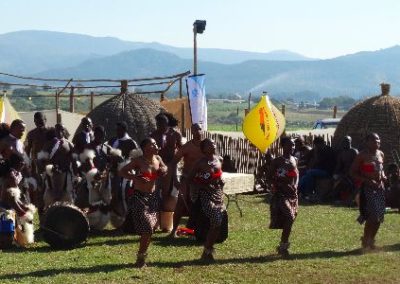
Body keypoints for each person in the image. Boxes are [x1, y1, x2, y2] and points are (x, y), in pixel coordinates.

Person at [119, 137, 167, 268]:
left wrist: (163, 170)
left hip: (153, 197)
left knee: (150, 229)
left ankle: (141, 257)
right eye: (153, 144)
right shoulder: (138, 161)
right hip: (139, 197)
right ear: (145, 148)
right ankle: (140, 258)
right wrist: (135, 177)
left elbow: (165, 168)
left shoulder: (158, 159)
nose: (156, 145)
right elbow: (122, 171)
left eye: (156, 143)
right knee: (147, 227)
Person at [188, 138, 225, 262]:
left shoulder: (219, 160)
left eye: (214, 143)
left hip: (218, 194)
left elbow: (219, 176)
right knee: (216, 219)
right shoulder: (200, 163)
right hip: (205, 195)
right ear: (203, 149)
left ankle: (208, 250)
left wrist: (221, 181)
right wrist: (202, 184)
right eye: (210, 144)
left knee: (218, 222)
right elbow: (190, 179)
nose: (213, 145)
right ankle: (207, 249)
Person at [350, 133, 386, 251]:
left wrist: (384, 176)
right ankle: (366, 240)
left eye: (378, 140)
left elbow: (381, 170)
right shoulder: (362, 156)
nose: (377, 142)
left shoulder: (381, 154)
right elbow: (353, 172)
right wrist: (368, 181)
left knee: (379, 216)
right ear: (367, 142)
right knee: (372, 216)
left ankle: (371, 240)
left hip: (380, 189)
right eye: (374, 140)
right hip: (367, 189)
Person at [169, 123, 204, 236]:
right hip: (187, 178)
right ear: (191, 132)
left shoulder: (207, 145)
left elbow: (216, 160)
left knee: (203, 204)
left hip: (203, 180)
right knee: (180, 204)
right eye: (194, 130)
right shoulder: (187, 147)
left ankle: (200, 229)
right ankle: (174, 230)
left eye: (198, 129)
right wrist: (175, 179)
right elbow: (174, 162)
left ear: (202, 130)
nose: (197, 131)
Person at [268, 137, 299, 257]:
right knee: (289, 216)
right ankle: (283, 245)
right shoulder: (277, 161)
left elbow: (296, 175)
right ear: (283, 146)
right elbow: (269, 177)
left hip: (292, 194)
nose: (292, 147)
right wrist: (274, 185)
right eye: (289, 145)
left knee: (291, 218)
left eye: (293, 145)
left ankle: (283, 246)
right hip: (281, 194)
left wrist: (295, 185)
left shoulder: (295, 159)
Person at [39, 124, 75, 208]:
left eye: (61, 130)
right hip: (51, 175)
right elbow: (41, 160)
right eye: (57, 130)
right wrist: (49, 167)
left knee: (68, 200)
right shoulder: (48, 144)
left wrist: (76, 175)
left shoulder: (69, 144)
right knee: (47, 197)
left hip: (65, 175)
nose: (59, 132)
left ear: (64, 131)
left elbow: (74, 161)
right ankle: (42, 211)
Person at [25, 112, 48, 215]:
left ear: (45, 120)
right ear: (34, 122)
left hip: (50, 168)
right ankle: (42, 221)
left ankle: (52, 218)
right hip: (36, 169)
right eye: (37, 121)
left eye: (41, 121)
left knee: (51, 192)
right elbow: (27, 151)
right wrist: (28, 166)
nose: (39, 123)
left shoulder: (51, 132)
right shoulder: (31, 134)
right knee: (39, 194)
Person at [332, 136, 358, 203]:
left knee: (344, 181)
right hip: (344, 173)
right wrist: (335, 174)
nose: (346, 143)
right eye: (344, 142)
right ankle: (337, 197)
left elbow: (357, 164)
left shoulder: (354, 151)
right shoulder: (342, 153)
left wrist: (349, 173)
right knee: (336, 180)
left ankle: (348, 198)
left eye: (347, 141)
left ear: (350, 142)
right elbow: (339, 165)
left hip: (353, 173)